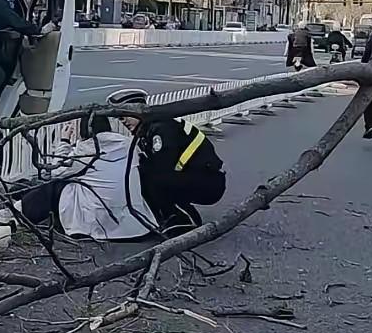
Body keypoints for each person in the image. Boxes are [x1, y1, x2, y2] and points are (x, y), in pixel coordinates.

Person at [17, 111, 156, 240]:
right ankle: (21, 195)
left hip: (100, 222)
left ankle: (18, 212)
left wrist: (64, 141)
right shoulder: (128, 144)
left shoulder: (88, 148)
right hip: (134, 224)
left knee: (55, 186)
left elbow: (56, 171)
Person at [108, 89, 227, 232]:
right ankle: (167, 217)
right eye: (119, 118)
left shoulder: (161, 128)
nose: (122, 121)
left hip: (209, 181)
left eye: (125, 115)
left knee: (150, 178)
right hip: (200, 176)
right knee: (145, 174)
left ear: (139, 111)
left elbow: (162, 167)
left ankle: (184, 220)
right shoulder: (150, 128)